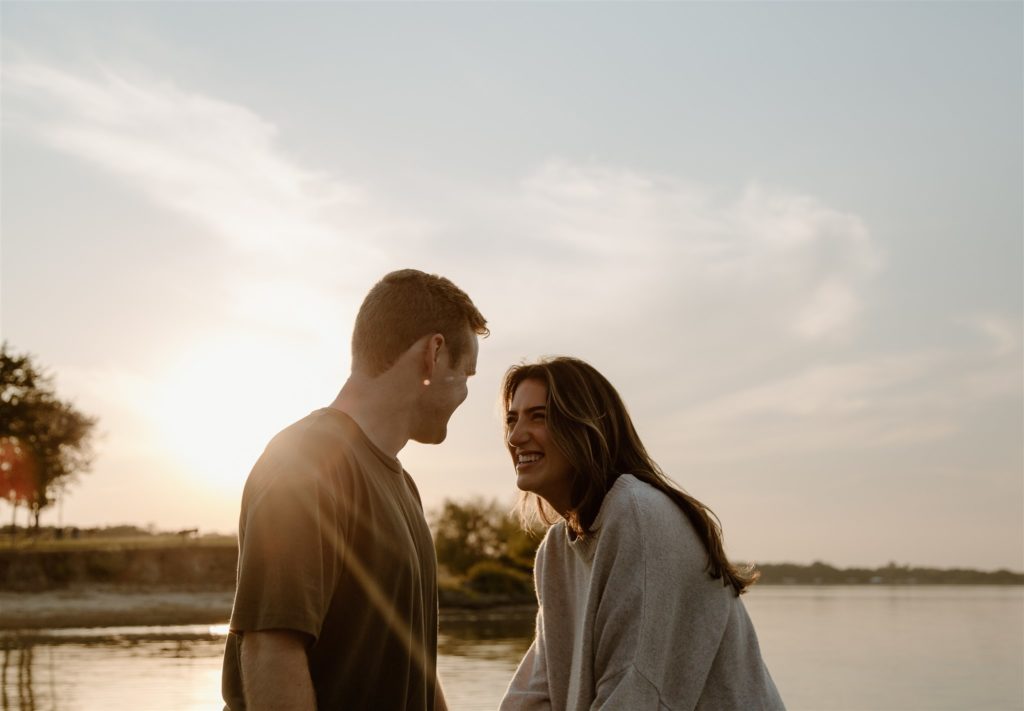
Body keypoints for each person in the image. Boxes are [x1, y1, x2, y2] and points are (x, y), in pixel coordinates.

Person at [221, 269, 488, 711]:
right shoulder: (307, 458)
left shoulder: (404, 487)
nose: (464, 393)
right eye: (467, 375)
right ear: (434, 354)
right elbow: (271, 649)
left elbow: (413, 663)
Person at [499, 357, 784, 711]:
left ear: (585, 426)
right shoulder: (555, 551)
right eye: (512, 419)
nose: (515, 436)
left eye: (538, 417)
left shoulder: (638, 514)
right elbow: (533, 695)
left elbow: (633, 692)